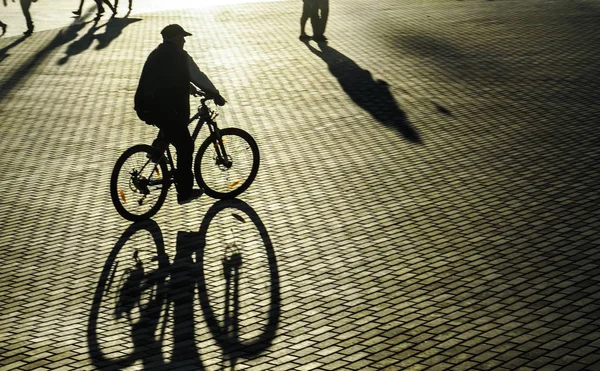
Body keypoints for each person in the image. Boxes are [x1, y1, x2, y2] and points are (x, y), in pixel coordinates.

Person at [134, 24, 226, 205]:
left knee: (171, 127)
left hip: (145, 106)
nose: (184, 41)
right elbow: (197, 75)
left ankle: (157, 151)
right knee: (186, 146)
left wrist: (188, 86)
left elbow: (165, 77)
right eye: (181, 37)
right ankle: (184, 192)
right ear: (174, 39)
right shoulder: (179, 56)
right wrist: (215, 94)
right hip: (165, 109)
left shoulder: (156, 54)